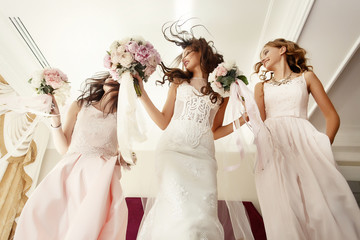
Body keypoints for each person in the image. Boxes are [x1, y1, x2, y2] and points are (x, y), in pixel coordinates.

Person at [135, 21, 252, 240]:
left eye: (189, 52)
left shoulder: (222, 89)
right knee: (175, 208)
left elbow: (215, 130)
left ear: (203, 53)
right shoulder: (179, 83)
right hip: (173, 150)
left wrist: (244, 119)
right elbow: (162, 121)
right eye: (183, 54)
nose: (184, 57)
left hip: (203, 155)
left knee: (202, 215)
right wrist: (141, 91)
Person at [253, 38, 360, 240]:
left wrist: (323, 147)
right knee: (284, 207)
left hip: (305, 142)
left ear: (282, 50)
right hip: (273, 146)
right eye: (261, 56)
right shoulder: (261, 87)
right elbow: (259, 124)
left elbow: (332, 117)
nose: (263, 58)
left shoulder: (306, 77)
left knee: (319, 205)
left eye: (267, 52)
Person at [14, 72, 128, 240]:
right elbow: (63, 147)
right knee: (49, 219)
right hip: (69, 172)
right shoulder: (80, 105)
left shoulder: (124, 117)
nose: (114, 76)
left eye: (120, 76)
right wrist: (55, 116)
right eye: (112, 73)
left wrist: (125, 158)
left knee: (87, 225)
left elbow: (125, 153)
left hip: (98, 178)